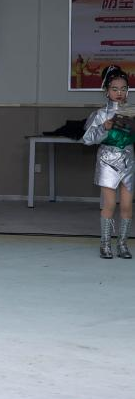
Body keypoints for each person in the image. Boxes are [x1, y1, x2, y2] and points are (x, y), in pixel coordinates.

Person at [82, 65, 134, 258]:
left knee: (127, 205)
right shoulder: (100, 114)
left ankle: (122, 244)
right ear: (107, 91)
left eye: (123, 89)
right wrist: (104, 127)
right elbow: (87, 139)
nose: (119, 93)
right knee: (110, 203)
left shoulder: (132, 111)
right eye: (115, 89)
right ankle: (105, 244)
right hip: (107, 160)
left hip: (128, 160)